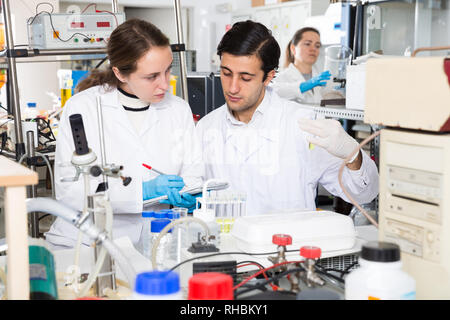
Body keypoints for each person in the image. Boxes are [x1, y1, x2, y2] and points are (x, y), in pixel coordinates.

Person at [195, 20, 379, 216]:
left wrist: (353, 155)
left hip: (288, 245)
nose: (232, 87)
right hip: (226, 245)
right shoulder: (207, 127)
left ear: (268, 77)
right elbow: (193, 189)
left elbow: (364, 193)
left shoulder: (303, 124)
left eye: (245, 78)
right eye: (226, 73)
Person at [46, 19, 201, 249]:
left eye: (168, 70)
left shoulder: (178, 109)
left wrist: (190, 193)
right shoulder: (83, 108)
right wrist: (142, 191)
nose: (164, 84)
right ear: (119, 73)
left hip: (156, 239)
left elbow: (193, 172)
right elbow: (70, 190)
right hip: (85, 242)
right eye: (152, 76)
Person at [270, 27, 330, 104]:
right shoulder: (281, 78)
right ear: (293, 49)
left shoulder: (321, 79)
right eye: (308, 44)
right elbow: (272, 91)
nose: (313, 49)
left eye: (317, 46)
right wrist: (303, 86)